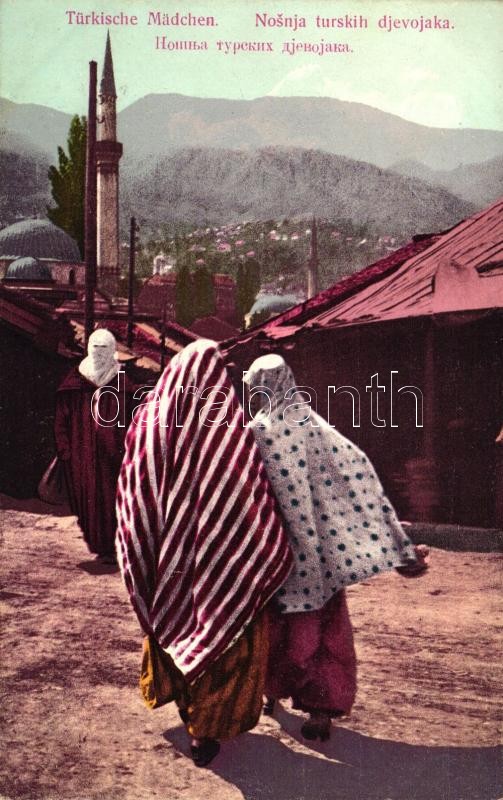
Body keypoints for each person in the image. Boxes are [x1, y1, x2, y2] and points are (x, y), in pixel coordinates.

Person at [115, 340, 293, 766]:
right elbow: (245, 492)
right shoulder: (227, 428)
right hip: (224, 558)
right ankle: (204, 731)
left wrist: (147, 542)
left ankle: (186, 710)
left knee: (173, 623)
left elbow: (133, 488)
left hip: (166, 558)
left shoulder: (147, 419)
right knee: (220, 633)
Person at [243, 353, 428, 741]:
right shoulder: (314, 426)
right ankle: (319, 710)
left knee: (276, 628)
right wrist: (387, 532)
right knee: (323, 632)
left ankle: (271, 690)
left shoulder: (256, 431)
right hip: (317, 560)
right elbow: (355, 469)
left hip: (275, 555)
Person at [54, 328, 134, 562]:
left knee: (112, 498)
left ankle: (111, 546)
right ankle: (99, 544)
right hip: (82, 453)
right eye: (95, 348)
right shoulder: (75, 381)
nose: (99, 353)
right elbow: (62, 419)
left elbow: (133, 416)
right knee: (87, 500)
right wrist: (65, 449)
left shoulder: (122, 382)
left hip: (114, 454)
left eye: (104, 348)